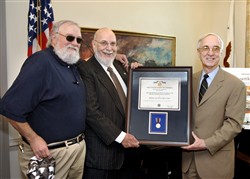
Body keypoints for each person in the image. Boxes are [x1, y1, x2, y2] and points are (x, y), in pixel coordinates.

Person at [0, 20, 87, 179]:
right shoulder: (41, 62)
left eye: (78, 40)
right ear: (53, 38)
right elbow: (9, 108)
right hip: (48, 154)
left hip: (76, 151)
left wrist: (117, 58)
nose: (75, 43)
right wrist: (33, 139)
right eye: (69, 38)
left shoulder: (72, 65)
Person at [77, 27, 142, 179]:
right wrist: (121, 137)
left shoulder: (120, 67)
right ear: (94, 45)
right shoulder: (86, 69)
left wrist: (139, 74)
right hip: (102, 157)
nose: (109, 48)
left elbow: (132, 101)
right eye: (104, 43)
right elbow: (92, 111)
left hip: (129, 155)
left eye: (113, 44)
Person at [182, 33, 246, 179]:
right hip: (188, 162)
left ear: (221, 53)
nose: (210, 53)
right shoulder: (188, 79)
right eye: (205, 48)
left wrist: (205, 143)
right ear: (199, 52)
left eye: (215, 49)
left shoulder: (236, 85)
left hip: (216, 164)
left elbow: (234, 124)